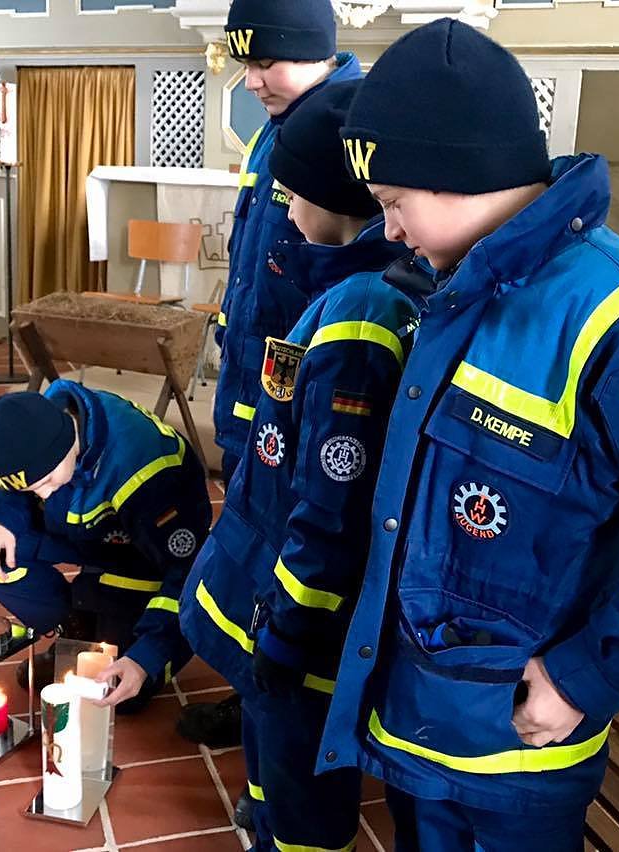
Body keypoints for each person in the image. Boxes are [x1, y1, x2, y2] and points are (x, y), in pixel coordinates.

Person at [316, 18, 619, 851]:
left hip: (519, 752)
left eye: (394, 202)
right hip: (420, 720)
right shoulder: (449, 289)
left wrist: (585, 676)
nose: (389, 230)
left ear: (457, 173)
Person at [180, 80, 427, 852]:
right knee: (271, 762)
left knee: (302, 786)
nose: (283, 214)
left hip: (305, 616)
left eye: (292, 196)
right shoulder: (333, 288)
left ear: (346, 206)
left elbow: (332, 501)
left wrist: (290, 626)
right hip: (273, 587)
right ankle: (267, 822)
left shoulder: (362, 316)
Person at [177, 0, 363, 769]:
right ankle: (252, 686)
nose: (251, 81)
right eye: (243, 62)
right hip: (253, 395)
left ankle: (289, 714)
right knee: (252, 554)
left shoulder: (349, 130)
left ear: (318, 51)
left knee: (296, 561)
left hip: (306, 408)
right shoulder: (272, 132)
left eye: (266, 63)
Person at [0, 382, 211, 712]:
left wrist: (145, 658)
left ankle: (116, 626)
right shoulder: (41, 422)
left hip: (146, 554)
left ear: (64, 445)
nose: (43, 495)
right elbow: (18, 484)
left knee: (120, 693)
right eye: (33, 489)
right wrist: (5, 520)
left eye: (46, 481)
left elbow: (188, 574)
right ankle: (72, 627)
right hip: (89, 533)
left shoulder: (147, 471)